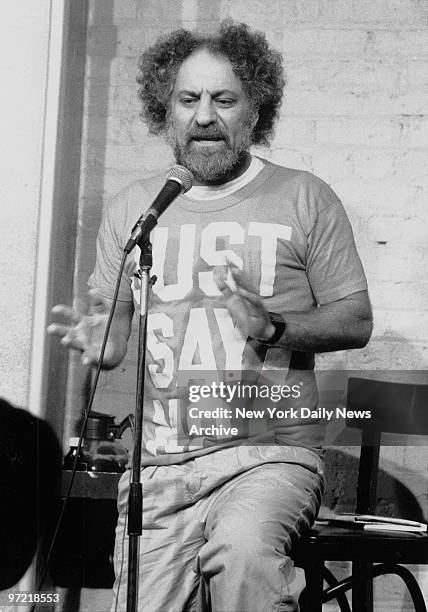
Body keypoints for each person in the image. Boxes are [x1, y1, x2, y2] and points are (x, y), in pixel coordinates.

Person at [49, 20, 372, 612]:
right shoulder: (135, 209)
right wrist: (100, 339)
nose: (204, 115)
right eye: (188, 99)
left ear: (255, 110)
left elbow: (356, 320)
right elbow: (114, 335)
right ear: (165, 111)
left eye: (224, 99)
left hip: (268, 453)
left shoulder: (304, 195)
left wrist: (275, 326)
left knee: (245, 558)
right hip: (159, 467)